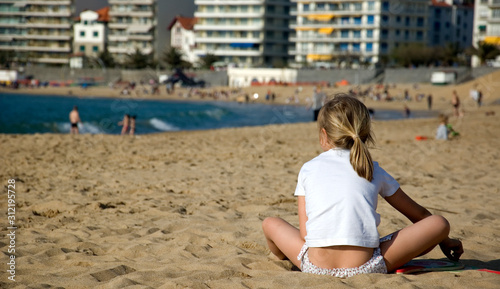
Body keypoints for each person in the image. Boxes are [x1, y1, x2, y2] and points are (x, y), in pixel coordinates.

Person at [262, 94, 463, 278]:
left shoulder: (308, 168)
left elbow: (307, 236)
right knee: (439, 223)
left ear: (324, 135)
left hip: (314, 266)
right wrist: (445, 240)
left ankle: (281, 256)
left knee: (270, 223)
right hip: (366, 266)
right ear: (365, 133)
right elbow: (419, 215)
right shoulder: (373, 169)